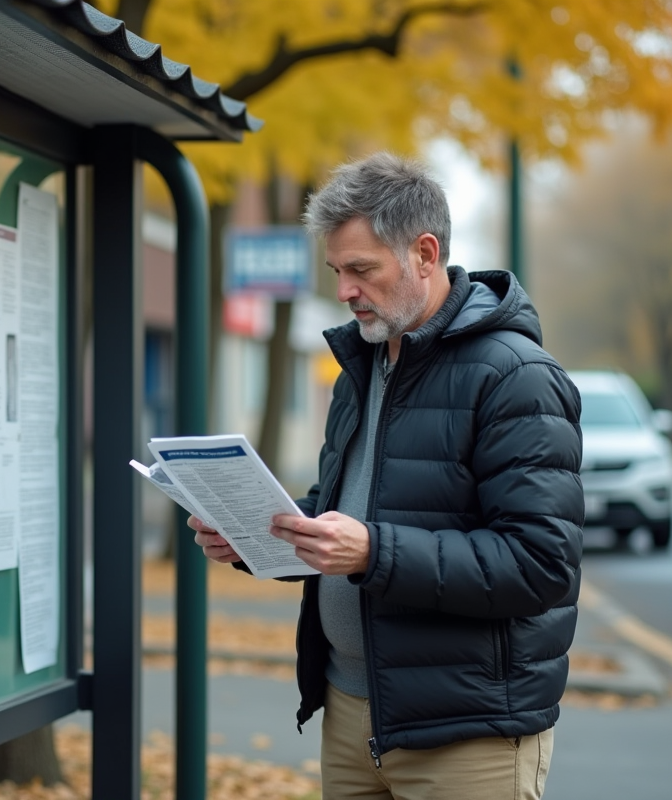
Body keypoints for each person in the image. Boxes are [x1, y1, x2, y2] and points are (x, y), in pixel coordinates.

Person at [190, 152, 583, 800]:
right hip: (350, 717)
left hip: (467, 734)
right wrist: (258, 534)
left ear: (424, 254)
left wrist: (374, 551)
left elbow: (542, 564)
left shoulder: (517, 376)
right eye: (337, 271)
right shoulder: (363, 369)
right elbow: (342, 510)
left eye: (361, 270)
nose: (344, 290)